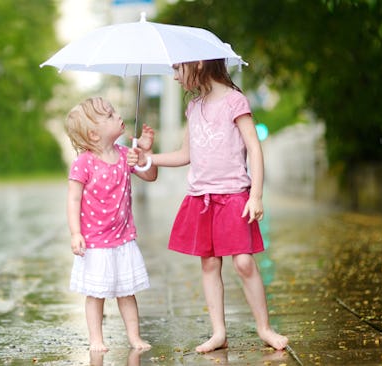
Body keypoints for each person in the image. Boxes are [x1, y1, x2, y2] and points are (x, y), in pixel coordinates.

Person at [145, 59, 289, 352]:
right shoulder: (194, 108)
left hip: (233, 194)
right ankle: (218, 332)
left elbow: (254, 147)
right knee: (209, 263)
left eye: (177, 69)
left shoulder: (234, 101)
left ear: (197, 64)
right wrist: (150, 159)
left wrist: (256, 194)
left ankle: (265, 328)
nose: (174, 77)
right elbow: (185, 153)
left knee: (244, 262)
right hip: (202, 198)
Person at [65, 97, 157, 352]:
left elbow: (151, 175)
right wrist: (75, 233)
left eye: (114, 112)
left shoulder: (126, 154)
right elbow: (73, 198)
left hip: (123, 238)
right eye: (109, 115)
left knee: (127, 292)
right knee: (96, 294)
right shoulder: (84, 162)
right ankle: (96, 339)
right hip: (95, 241)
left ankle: (135, 337)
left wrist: (144, 156)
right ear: (94, 134)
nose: (117, 116)